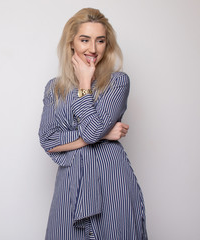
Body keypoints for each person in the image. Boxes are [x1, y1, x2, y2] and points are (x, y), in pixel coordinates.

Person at [38, 8, 148, 240]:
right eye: (84, 40)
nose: (93, 49)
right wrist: (105, 135)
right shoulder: (54, 88)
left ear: (107, 45)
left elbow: (92, 130)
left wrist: (85, 84)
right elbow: (48, 140)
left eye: (100, 41)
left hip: (111, 178)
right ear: (71, 43)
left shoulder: (117, 82)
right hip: (71, 182)